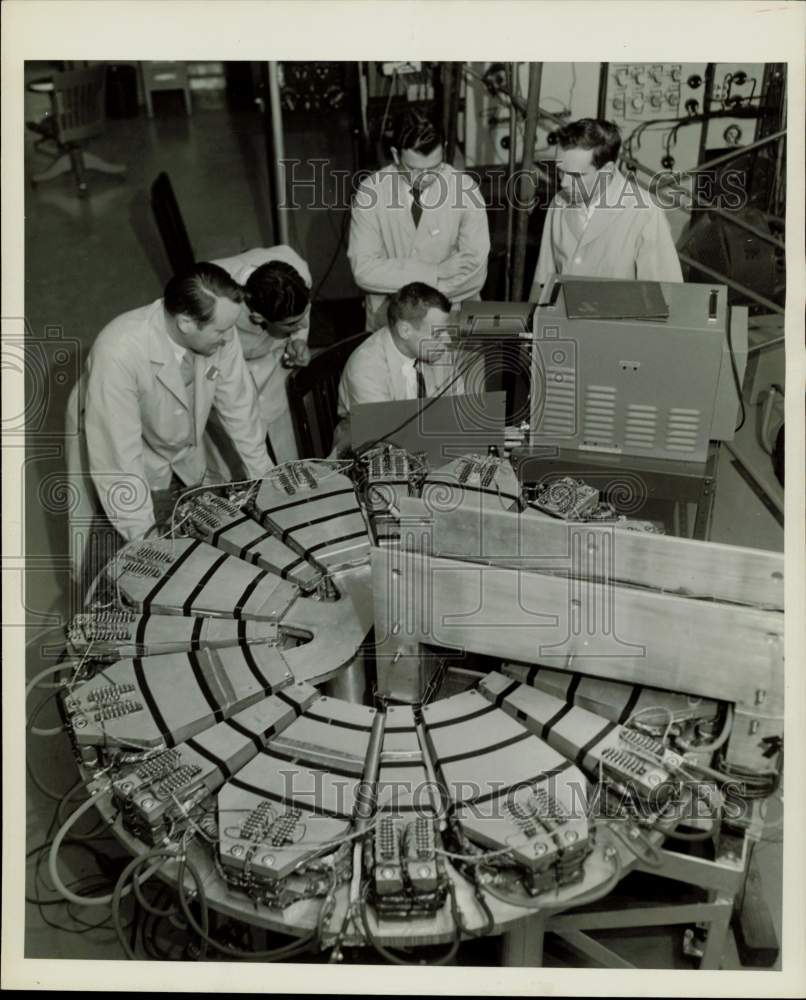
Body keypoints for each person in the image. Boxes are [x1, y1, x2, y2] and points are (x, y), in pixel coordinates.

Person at [81, 262, 273, 544]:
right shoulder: (117, 352)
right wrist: (145, 542)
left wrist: (267, 481)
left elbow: (240, 408)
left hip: (182, 447)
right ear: (185, 323)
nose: (229, 338)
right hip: (129, 454)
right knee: (126, 555)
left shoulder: (220, 330)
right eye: (220, 331)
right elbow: (119, 460)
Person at [348, 108, 490, 333]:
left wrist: (402, 284)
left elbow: (475, 273)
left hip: (453, 321)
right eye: (413, 169)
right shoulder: (370, 193)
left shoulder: (465, 190)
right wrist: (435, 271)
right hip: (391, 323)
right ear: (395, 155)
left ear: (443, 151)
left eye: (434, 168)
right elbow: (364, 270)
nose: (424, 178)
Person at [530, 118, 683, 298]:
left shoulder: (645, 212)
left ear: (608, 170)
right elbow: (542, 284)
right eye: (561, 170)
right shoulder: (559, 203)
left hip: (619, 324)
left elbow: (666, 296)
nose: (564, 183)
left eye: (576, 175)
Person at [333, 282, 468, 454]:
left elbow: (458, 408)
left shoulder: (435, 349)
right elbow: (382, 440)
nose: (447, 340)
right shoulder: (366, 368)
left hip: (424, 442)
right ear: (405, 330)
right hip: (366, 449)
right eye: (438, 333)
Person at [210, 246, 312, 467]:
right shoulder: (213, 306)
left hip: (272, 362)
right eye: (292, 324)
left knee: (286, 447)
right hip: (224, 368)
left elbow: (300, 313)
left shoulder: (296, 271)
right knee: (237, 454)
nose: (302, 325)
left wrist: (298, 338)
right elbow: (205, 368)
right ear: (257, 318)